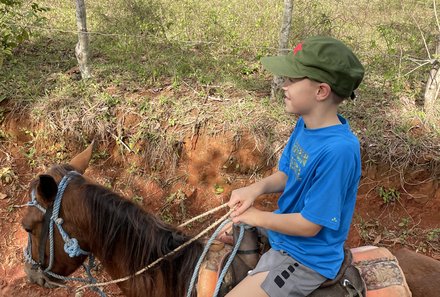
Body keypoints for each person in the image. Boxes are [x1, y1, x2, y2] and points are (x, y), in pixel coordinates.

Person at [225, 36, 365, 297]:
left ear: (321, 91)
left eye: (291, 79)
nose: (283, 86)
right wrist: (254, 190)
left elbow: (310, 225)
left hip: (306, 257)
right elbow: (288, 174)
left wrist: (255, 216)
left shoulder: (339, 151)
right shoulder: (306, 124)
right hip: (286, 236)